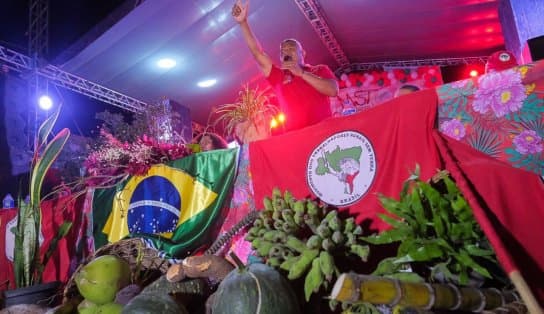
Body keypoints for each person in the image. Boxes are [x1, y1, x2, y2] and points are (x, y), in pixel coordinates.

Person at [232, 0, 338, 132]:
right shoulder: (278, 76)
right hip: (296, 139)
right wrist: (243, 23)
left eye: (291, 48)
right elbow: (257, 53)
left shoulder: (319, 70)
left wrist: (302, 74)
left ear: (303, 53)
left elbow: (333, 91)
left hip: (324, 134)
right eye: (283, 50)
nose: (286, 51)